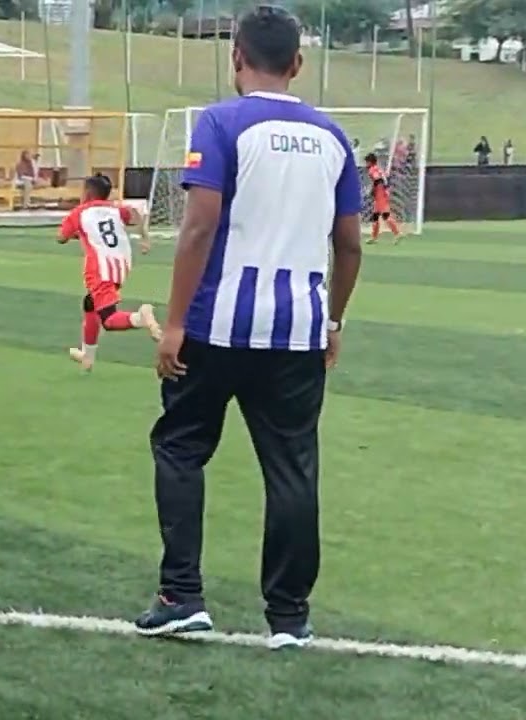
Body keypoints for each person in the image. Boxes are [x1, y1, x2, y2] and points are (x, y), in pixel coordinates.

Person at [138, 5, 363, 650]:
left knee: (181, 448)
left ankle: (181, 594)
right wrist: (335, 319)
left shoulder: (219, 121)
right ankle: (288, 616)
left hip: (216, 325)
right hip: (298, 330)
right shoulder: (333, 137)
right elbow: (348, 245)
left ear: (235, 57)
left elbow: (200, 226)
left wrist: (174, 322)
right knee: (292, 468)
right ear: (298, 64)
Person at [57, 173, 160, 372]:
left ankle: (141, 317)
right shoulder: (114, 209)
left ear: (87, 192)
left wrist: (77, 233)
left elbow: (60, 237)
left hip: (100, 269)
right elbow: (136, 213)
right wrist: (145, 238)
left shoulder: (79, 213)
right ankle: (88, 357)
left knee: (109, 320)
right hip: (121, 263)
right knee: (90, 304)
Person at [364, 153, 402, 244]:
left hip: (380, 194)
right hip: (381, 194)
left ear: (370, 162)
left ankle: (397, 234)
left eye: (366, 162)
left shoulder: (373, 170)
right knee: (375, 216)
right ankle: (374, 237)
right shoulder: (379, 169)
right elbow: (385, 180)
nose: (366, 164)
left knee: (385, 215)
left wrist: (372, 190)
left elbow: (378, 180)